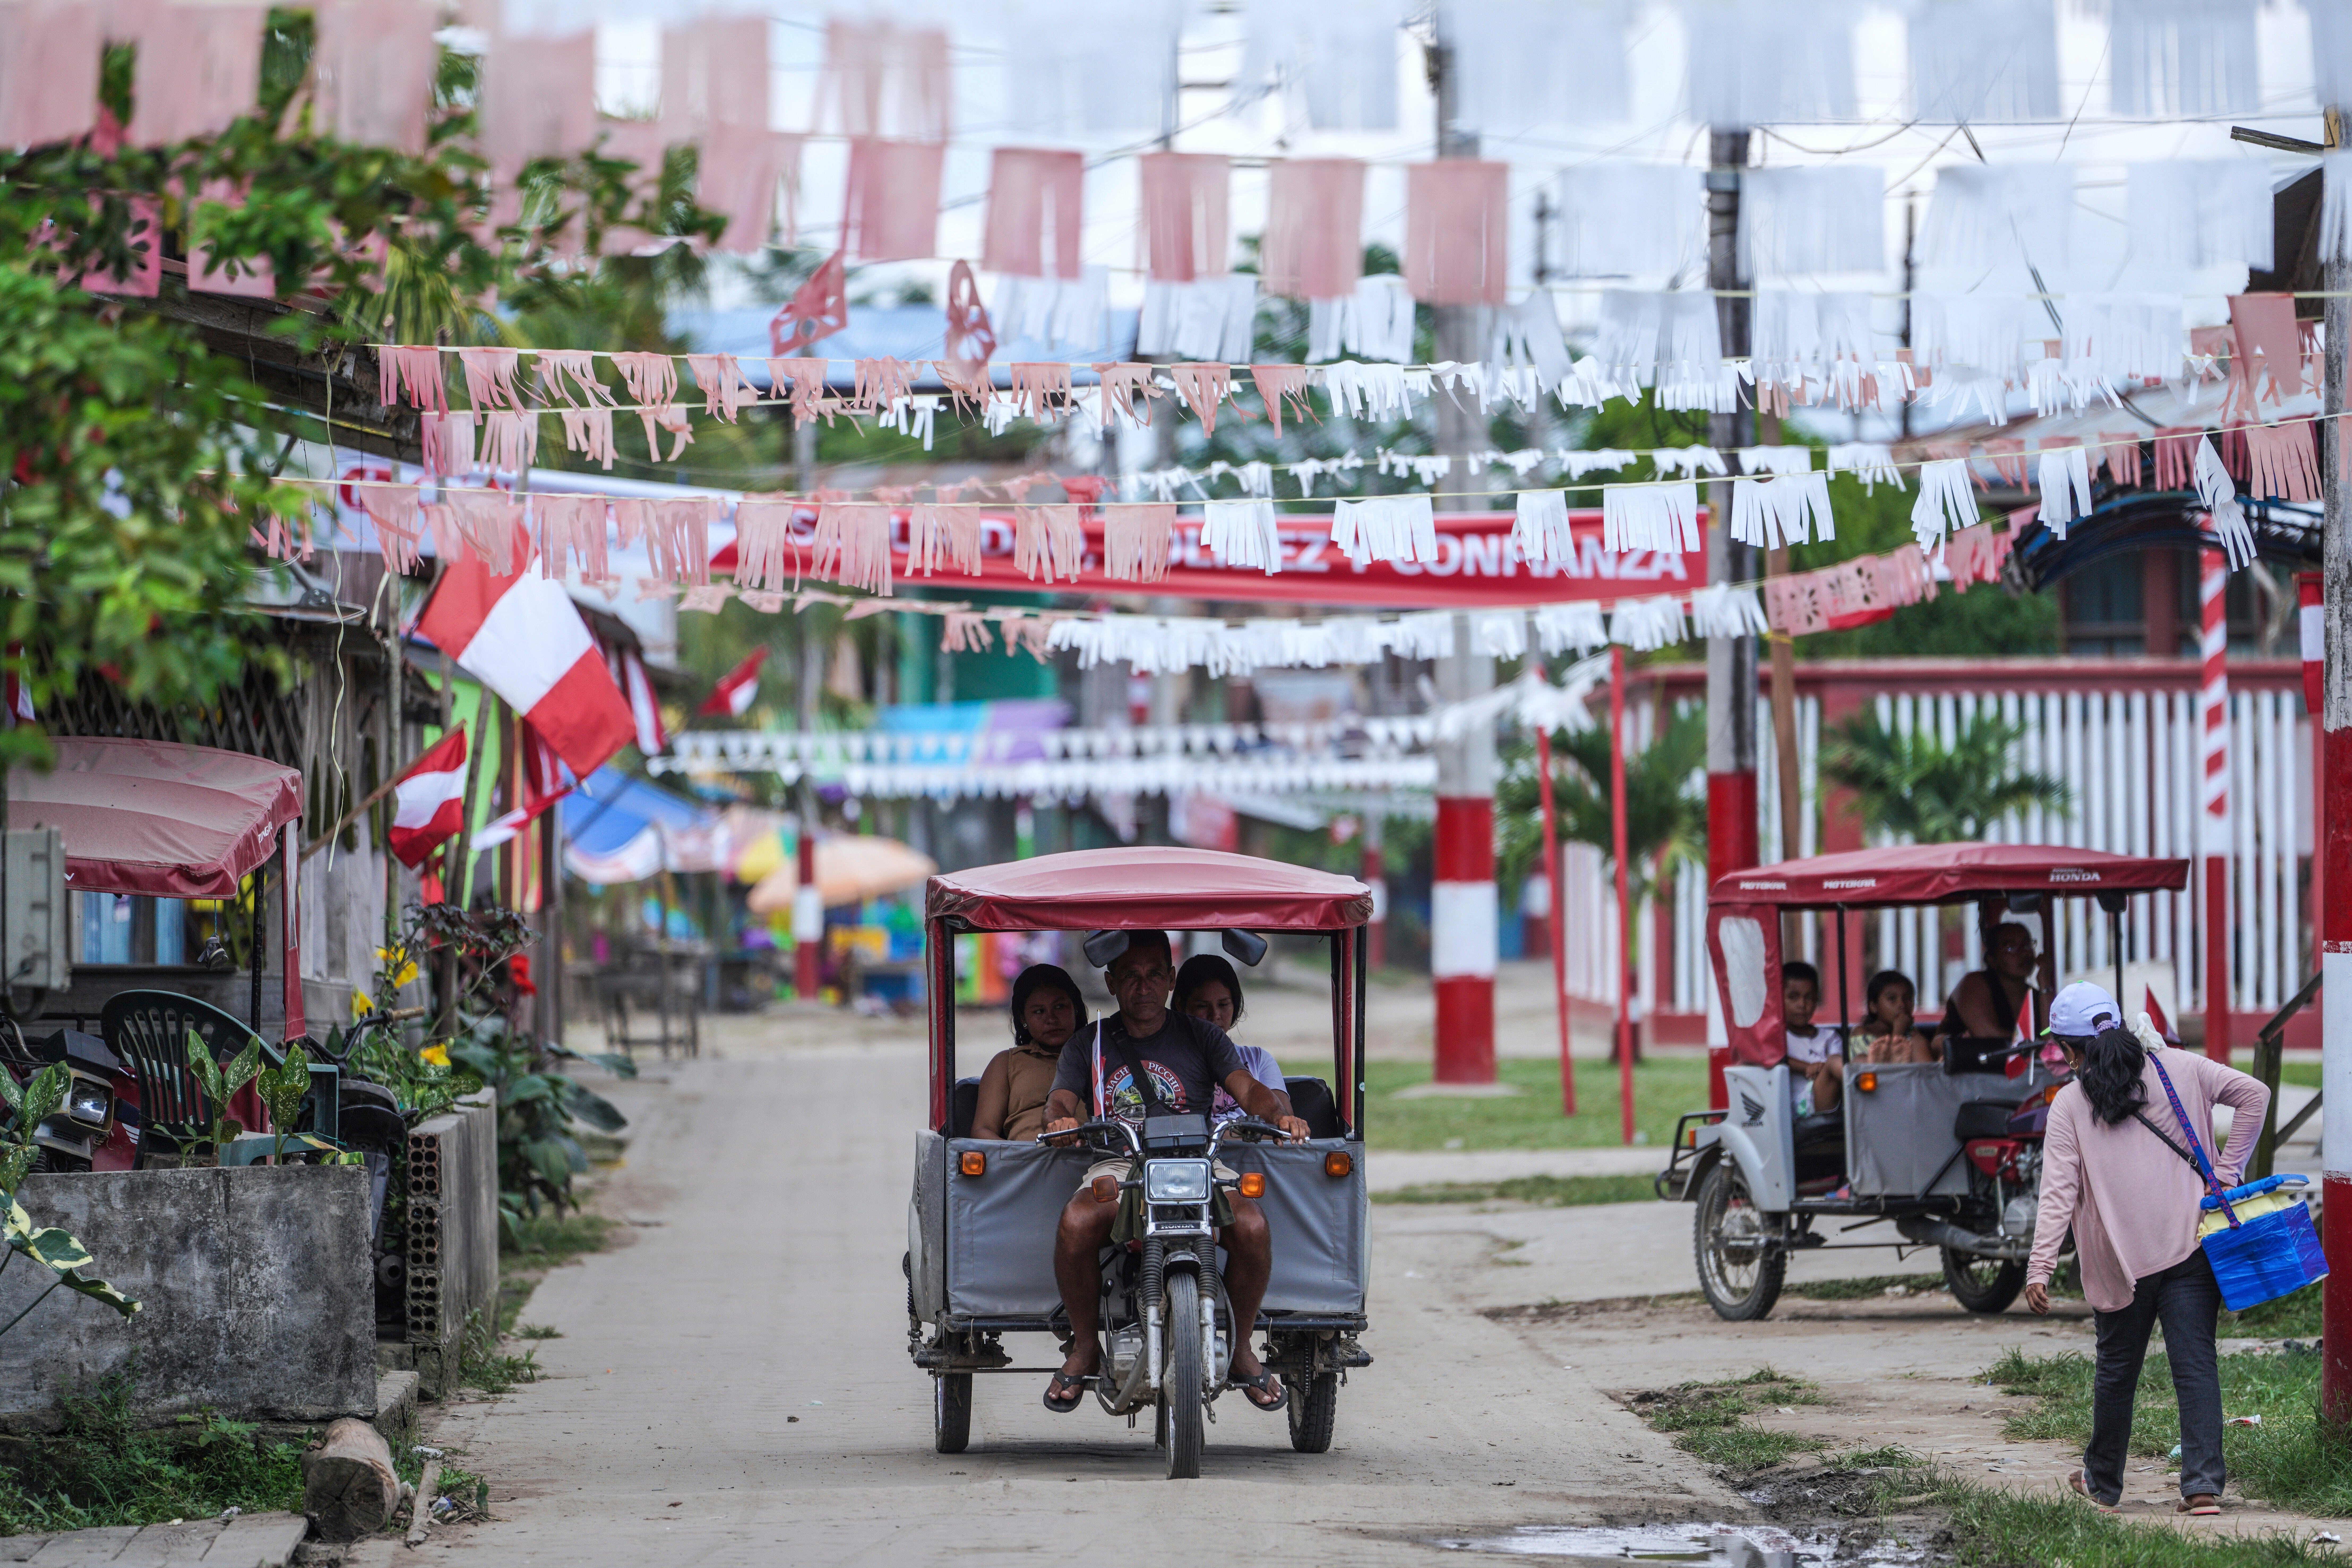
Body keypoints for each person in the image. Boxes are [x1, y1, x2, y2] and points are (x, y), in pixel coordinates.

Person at [1039, 930, 1310, 1416]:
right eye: (1130, 976)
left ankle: (1243, 1348)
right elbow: (1061, 1098)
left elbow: (1247, 1088)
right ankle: (1084, 1346)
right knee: (1076, 1223)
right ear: (1111, 981)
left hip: (1198, 1160)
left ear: (1170, 979)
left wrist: (1277, 1113)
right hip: (1122, 1161)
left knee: (1251, 1225)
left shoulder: (1201, 1035)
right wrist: (1060, 1118)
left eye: (1153, 975)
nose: (1143, 986)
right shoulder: (1090, 1041)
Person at [2025, 982, 2269, 1518]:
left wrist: (2039, 1265)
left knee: (2116, 1370)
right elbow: (2255, 1094)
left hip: (2121, 1264)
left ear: (2067, 1050)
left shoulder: (2068, 1103)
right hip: (2189, 1249)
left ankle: (2104, 1484)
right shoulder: (2177, 1066)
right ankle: (2201, 1487)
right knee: (2194, 1365)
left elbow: (2058, 1193)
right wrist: (2225, 1174)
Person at [969, 964, 1086, 1142]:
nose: (1051, 1019)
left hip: (1097, 1163)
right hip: (1024, 1165)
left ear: (1075, 1009)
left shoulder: (1102, 1056)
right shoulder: (1006, 1064)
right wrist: (1017, 1160)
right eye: (1039, 1011)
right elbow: (982, 1131)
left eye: (1060, 1007)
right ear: (1023, 1018)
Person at [1173, 953, 1293, 1125]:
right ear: (1181, 1005)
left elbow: (1284, 1127)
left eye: (1223, 1005)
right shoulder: (1166, 1064)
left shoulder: (1258, 1060)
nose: (1215, 1016)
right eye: (1202, 1006)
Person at [1939, 920, 2045, 1047]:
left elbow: (2052, 1035)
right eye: (2011, 948)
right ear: (1992, 959)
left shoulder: (2036, 995)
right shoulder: (1974, 983)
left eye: (2027, 945)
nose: (2023, 953)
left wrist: (2046, 984)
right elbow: (1988, 1035)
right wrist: (2038, 1045)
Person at [1780, 961, 1845, 1115]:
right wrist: (1807, 1068)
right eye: (1793, 998)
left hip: (1833, 1098)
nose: (1802, 1005)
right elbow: (1774, 1057)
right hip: (1799, 1107)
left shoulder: (1830, 1036)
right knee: (1833, 1064)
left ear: (1817, 1001)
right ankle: (1858, 1082)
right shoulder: (1778, 1037)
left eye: (1809, 998)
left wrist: (1821, 1070)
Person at [1858, 970, 1938, 1065]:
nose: (1902, 1005)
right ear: (1873, 1007)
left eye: (1907, 999)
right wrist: (1899, 1031)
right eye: (1892, 999)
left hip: (1909, 1079)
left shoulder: (1914, 1037)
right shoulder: (1862, 1032)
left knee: (1918, 1043)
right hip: (1877, 1078)